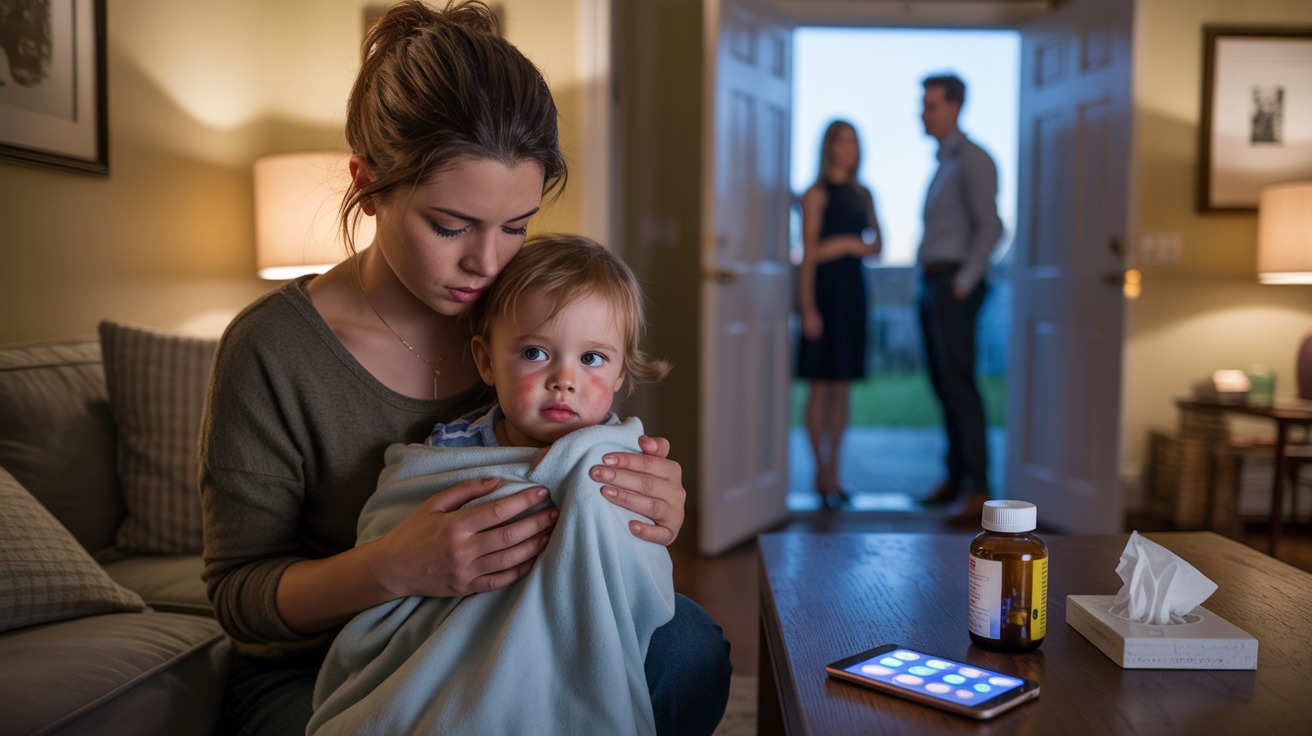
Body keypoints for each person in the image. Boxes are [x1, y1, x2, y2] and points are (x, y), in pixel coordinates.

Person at [198, 3, 731, 735]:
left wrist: (646, 511)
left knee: (691, 651)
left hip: (524, 621)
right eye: (450, 226)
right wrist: (393, 566)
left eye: (516, 226)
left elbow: (587, 491)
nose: (486, 262)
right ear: (369, 181)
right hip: (332, 658)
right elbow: (239, 595)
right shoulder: (271, 351)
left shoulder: (536, 316)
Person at [309, 234, 679, 734]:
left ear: (619, 374)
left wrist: (651, 526)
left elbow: (638, 567)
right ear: (486, 361)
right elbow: (393, 521)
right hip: (459, 631)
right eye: (534, 352)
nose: (564, 379)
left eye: (592, 358)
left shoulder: (623, 460)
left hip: (571, 632)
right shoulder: (451, 451)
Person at [913, 73, 1004, 524]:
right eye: (923, 104)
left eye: (931, 105)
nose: (923, 113)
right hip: (934, 284)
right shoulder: (944, 161)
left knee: (962, 387)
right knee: (944, 384)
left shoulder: (973, 159)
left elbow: (992, 227)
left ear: (954, 108)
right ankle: (955, 476)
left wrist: (964, 282)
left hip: (954, 285)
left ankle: (979, 488)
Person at [795, 120, 882, 509]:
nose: (848, 147)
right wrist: (807, 307)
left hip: (854, 295)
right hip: (825, 295)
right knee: (820, 385)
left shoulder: (863, 193)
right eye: (841, 139)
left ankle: (834, 470)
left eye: (853, 140)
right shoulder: (815, 194)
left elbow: (878, 245)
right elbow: (809, 256)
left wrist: (846, 245)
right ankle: (819, 470)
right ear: (829, 146)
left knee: (843, 385)